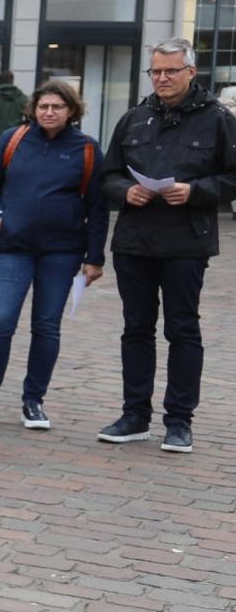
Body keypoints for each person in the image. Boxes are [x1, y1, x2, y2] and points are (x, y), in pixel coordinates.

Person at [94, 39, 236, 453]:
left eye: (171, 71)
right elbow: (108, 176)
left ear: (191, 72)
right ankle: (135, 414)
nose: (162, 78)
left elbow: (233, 177)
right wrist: (126, 191)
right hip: (135, 242)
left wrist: (195, 191)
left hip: (186, 242)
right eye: (155, 71)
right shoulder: (134, 119)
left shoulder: (218, 120)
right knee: (136, 329)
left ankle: (179, 421)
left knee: (182, 329)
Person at [0, 81, 110, 430]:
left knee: (46, 327)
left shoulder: (86, 149)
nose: (49, 112)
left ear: (72, 110)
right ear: (33, 109)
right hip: (13, 248)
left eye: (57, 107)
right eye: (43, 106)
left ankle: (33, 402)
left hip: (63, 252)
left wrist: (94, 256)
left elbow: (98, 207)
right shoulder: (14, 139)